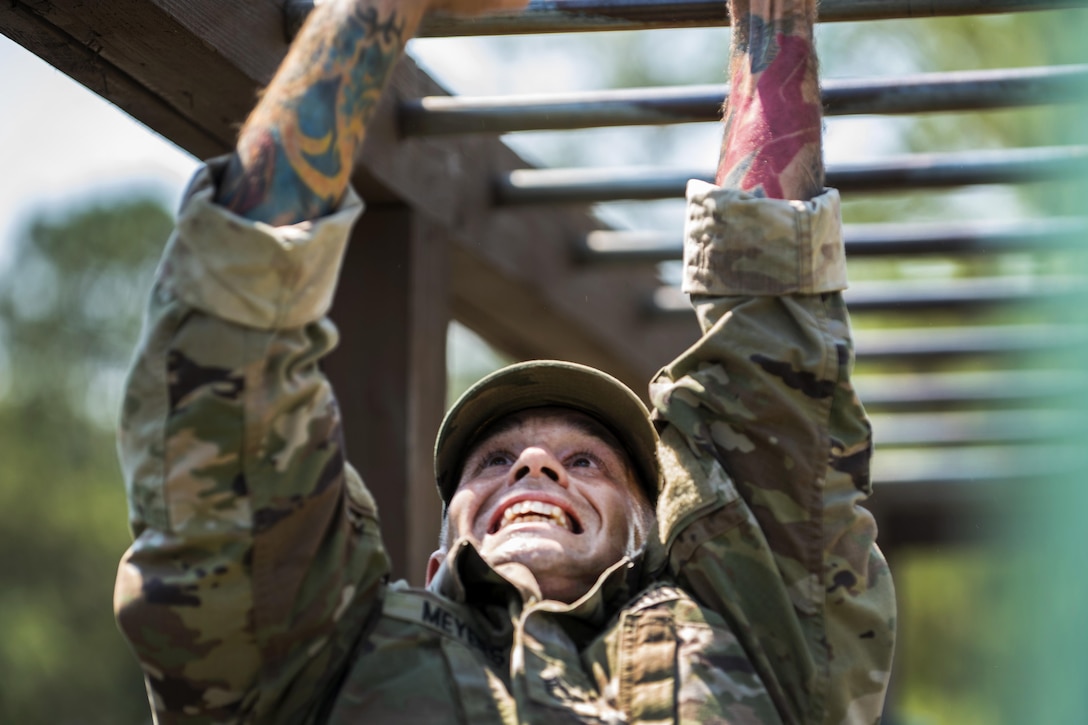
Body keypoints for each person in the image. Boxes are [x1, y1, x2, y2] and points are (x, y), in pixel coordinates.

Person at [113, 0, 895, 721]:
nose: (533, 467)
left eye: (586, 461)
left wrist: (774, 15)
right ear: (435, 556)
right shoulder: (320, 658)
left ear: (650, 537)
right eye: (492, 461)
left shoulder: (761, 641)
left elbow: (772, 362)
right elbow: (225, 371)